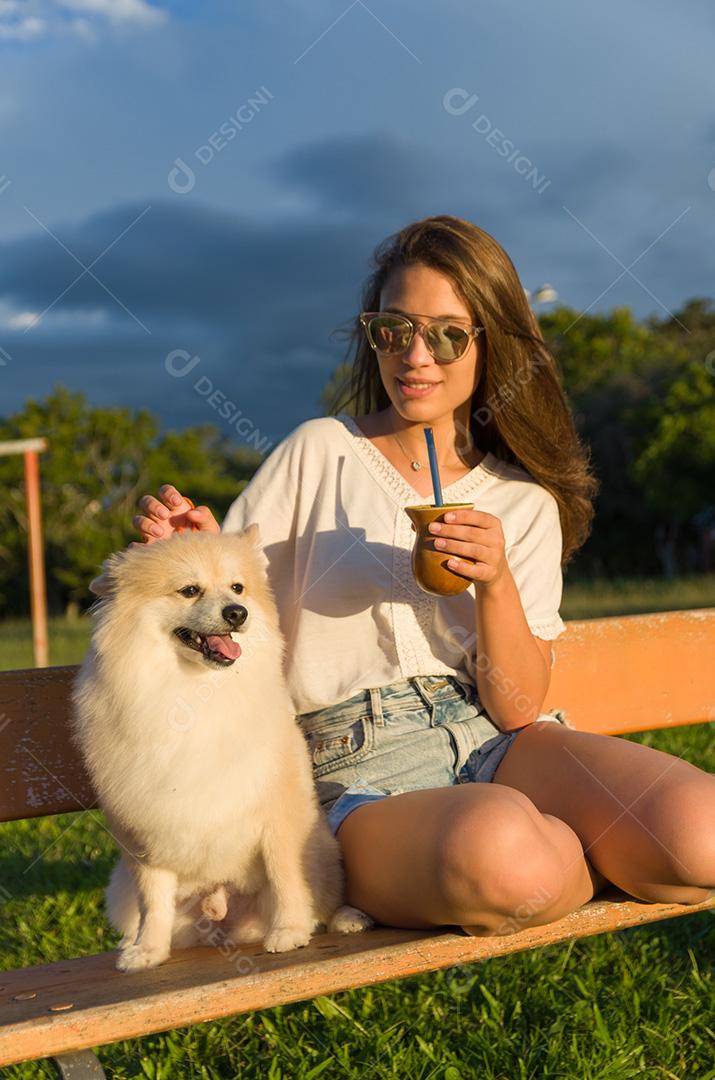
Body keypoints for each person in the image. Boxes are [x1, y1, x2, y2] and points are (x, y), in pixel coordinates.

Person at [133, 215, 715, 936]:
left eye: (446, 333)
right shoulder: (320, 453)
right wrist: (199, 555)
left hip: (494, 741)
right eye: (392, 330)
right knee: (507, 855)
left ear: (489, 343)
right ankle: (577, 856)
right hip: (343, 766)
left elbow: (515, 707)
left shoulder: (521, 503)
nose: (415, 355)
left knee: (701, 835)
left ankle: (571, 855)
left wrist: (494, 581)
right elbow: (231, 614)